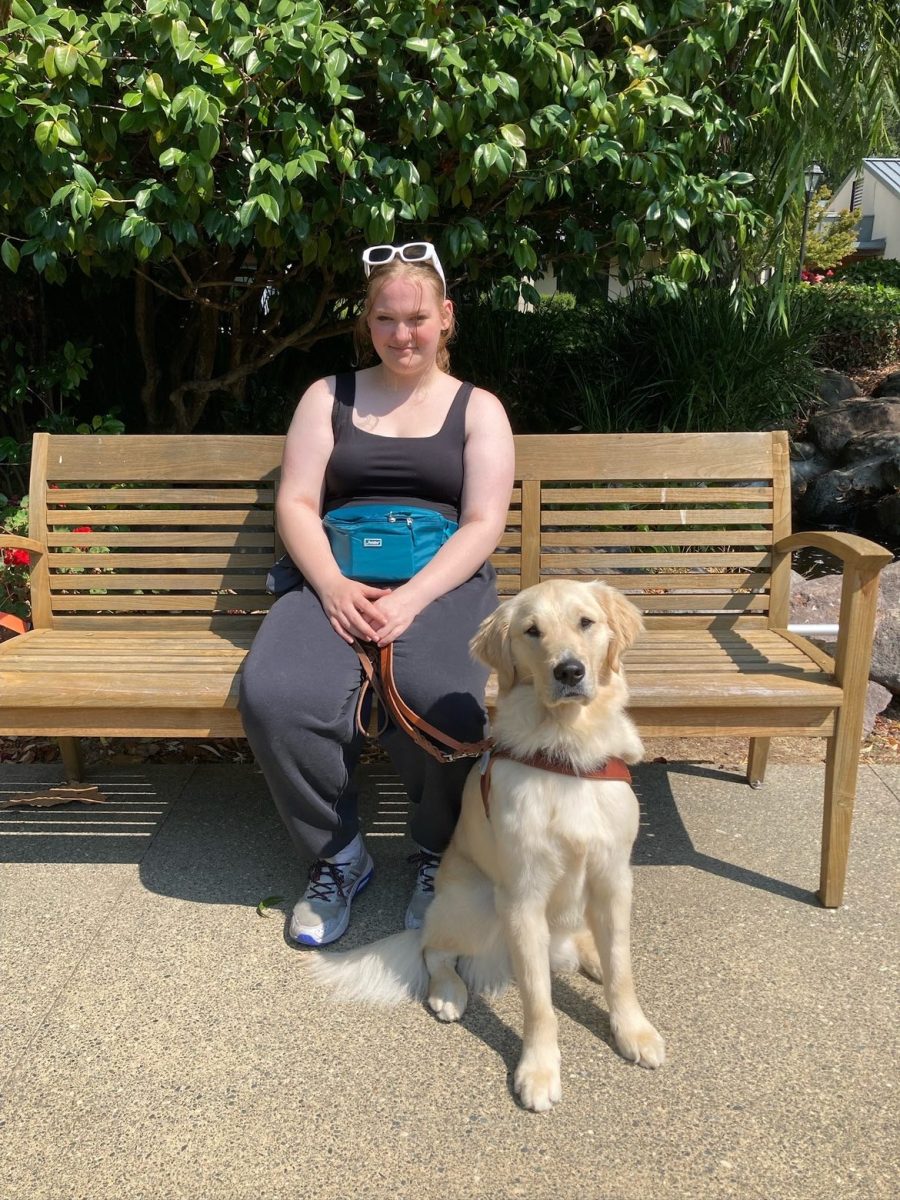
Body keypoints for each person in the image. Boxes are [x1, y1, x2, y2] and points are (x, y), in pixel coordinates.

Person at [239, 242, 515, 946]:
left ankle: (439, 854)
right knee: (276, 692)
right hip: (336, 578)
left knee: (447, 696)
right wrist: (329, 586)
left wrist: (413, 599)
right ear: (367, 322)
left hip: (441, 583)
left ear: (445, 317)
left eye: (417, 318)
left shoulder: (477, 409)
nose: (402, 335)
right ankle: (337, 858)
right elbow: (297, 502)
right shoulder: (326, 397)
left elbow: (484, 522)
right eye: (386, 319)